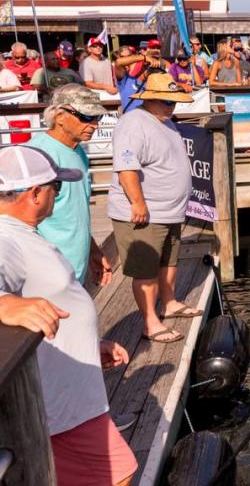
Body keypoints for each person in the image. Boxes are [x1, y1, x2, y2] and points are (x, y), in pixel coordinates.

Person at [0, 145, 137, 486]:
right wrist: (3, 304)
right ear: (34, 194)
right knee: (120, 472)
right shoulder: (7, 239)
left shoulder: (23, 234)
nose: (57, 196)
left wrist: (92, 344)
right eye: (55, 188)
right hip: (59, 409)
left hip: (70, 400)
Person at [108, 72, 201, 344]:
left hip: (170, 211)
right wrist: (137, 202)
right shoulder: (134, 123)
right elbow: (126, 167)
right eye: (165, 101)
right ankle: (150, 322)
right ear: (148, 99)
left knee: (169, 261)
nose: (171, 106)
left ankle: (169, 302)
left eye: (174, 102)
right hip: (145, 213)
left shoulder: (166, 121)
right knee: (145, 270)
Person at [27, 86, 112, 287]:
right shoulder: (36, 155)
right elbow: (18, 220)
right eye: (85, 116)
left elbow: (75, 211)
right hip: (46, 277)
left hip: (73, 272)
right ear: (60, 115)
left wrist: (92, 250)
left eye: (97, 118)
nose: (93, 125)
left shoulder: (77, 150)